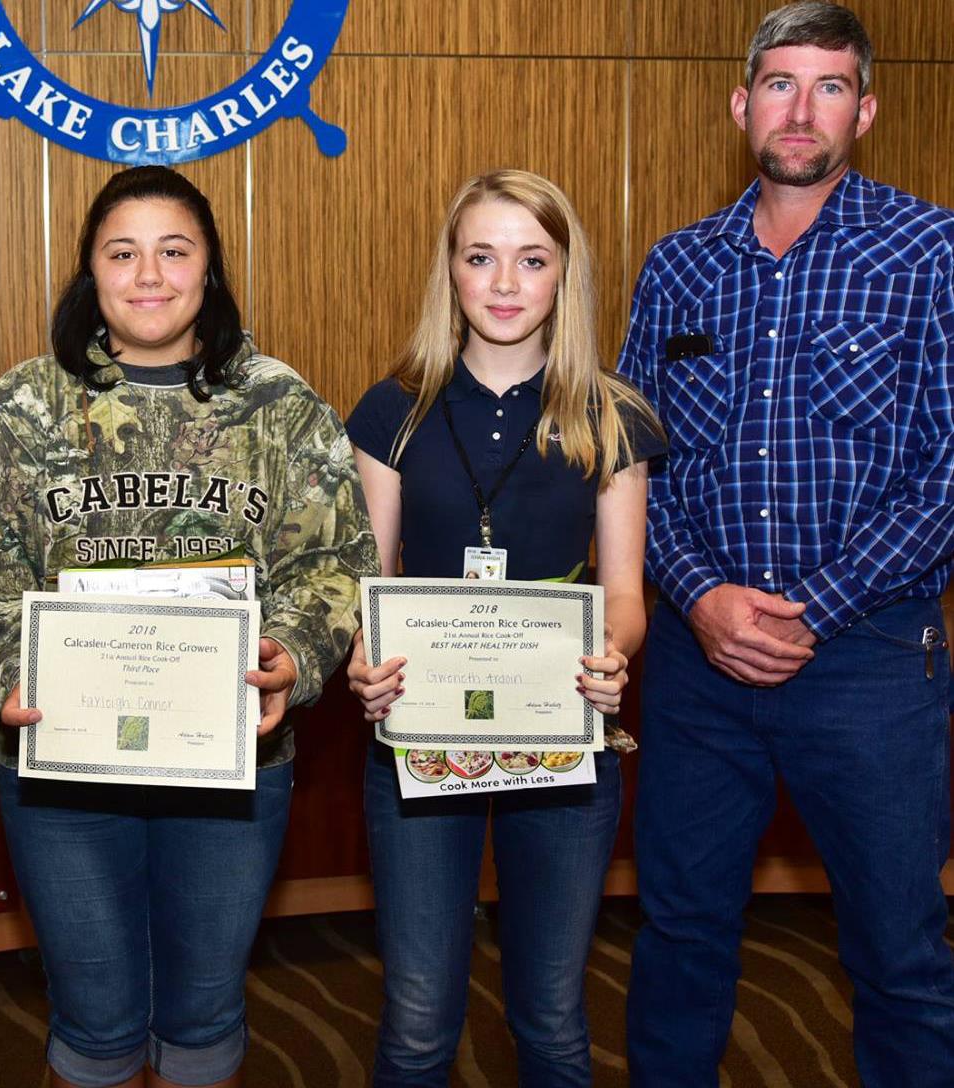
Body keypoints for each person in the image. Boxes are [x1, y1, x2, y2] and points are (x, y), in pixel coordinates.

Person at [0, 166, 375, 1088]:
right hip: (62, 766)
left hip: (228, 767)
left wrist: (291, 659)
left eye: (174, 250)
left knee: (203, 1013)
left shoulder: (283, 406)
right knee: (97, 1024)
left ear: (210, 268)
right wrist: (13, 670)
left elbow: (337, 561)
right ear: (90, 273)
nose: (150, 273)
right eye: (123, 251)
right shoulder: (20, 410)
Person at [616, 4, 954, 1084]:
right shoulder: (677, 267)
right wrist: (705, 596)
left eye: (826, 86)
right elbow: (628, 467)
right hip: (695, 665)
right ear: (739, 103)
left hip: (868, 663)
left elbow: (948, 470)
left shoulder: (931, 252)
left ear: (865, 108)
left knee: (899, 952)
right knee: (676, 938)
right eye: (777, 84)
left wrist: (813, 601)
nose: (798, 109)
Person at [342, 170, 663, 1086]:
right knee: (414, 1018)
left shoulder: (612, 415)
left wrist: (615, 655)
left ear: (565, 276)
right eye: (481, 258)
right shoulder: (391, 410)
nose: (506, 282)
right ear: (451, 271)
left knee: (555, 1014)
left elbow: (627, 595)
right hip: (417, 730)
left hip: (565, 731)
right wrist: (364, 660)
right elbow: (371, 583)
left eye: (533, 259)